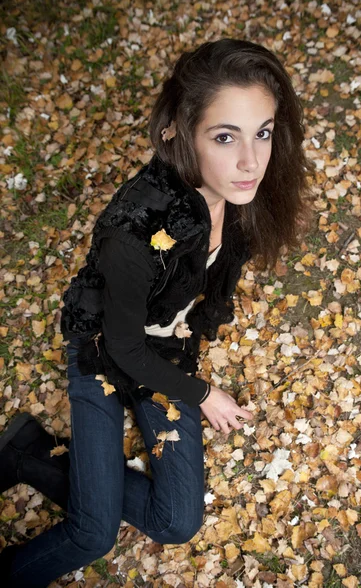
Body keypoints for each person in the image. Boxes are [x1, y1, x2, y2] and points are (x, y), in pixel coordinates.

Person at [0, 38, 313, 587]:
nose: (251, 161)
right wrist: (202, 394)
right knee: (92, 535)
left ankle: (29, 454)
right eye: (225, 137)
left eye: (262, 132)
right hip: (101, 349)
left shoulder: (238, 195)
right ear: (179, 132)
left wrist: (194, 336)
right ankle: (32, 466)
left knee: (176, 521)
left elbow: (207, 285)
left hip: (163, 347)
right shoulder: (134, 232)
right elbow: (121, 348)